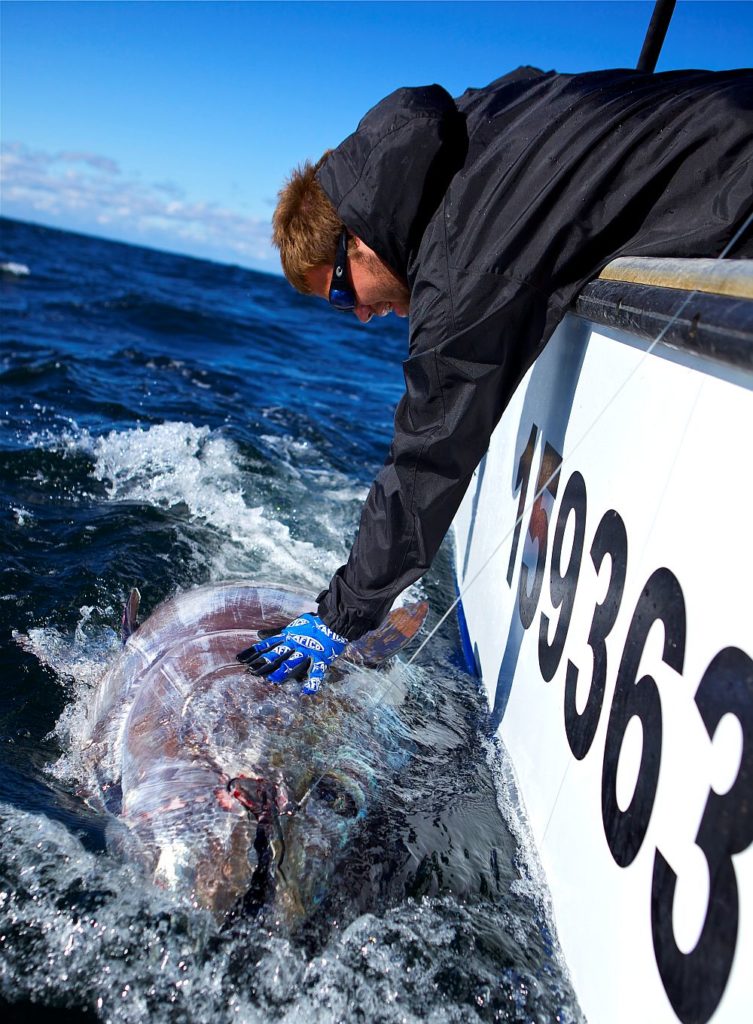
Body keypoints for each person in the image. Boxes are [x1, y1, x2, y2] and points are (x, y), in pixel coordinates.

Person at [238, 65, 753, 694]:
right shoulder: (474, 127)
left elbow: (427, 457)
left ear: (359, 239)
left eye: (345, 294)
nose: (365, 315)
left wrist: (339, 617)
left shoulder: (459, 260)